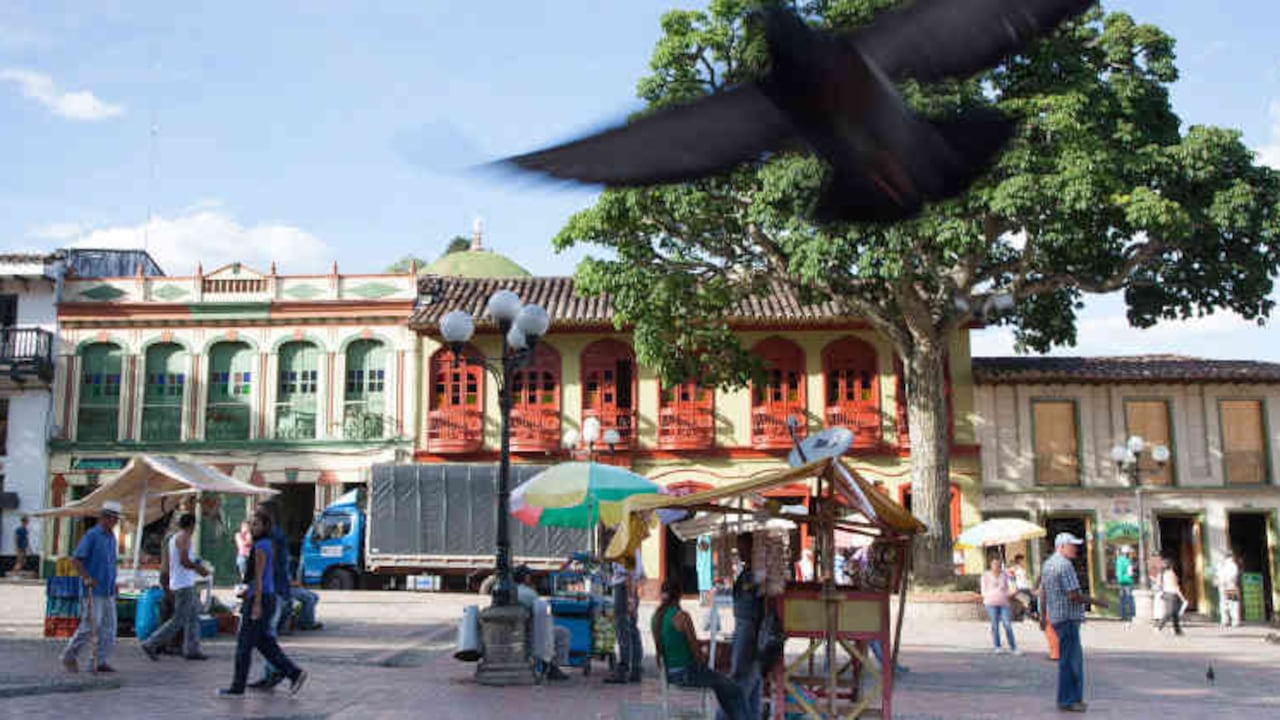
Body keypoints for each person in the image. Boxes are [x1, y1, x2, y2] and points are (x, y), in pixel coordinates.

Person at [218, 509, 307, 697]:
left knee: (244, 645)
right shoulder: (266, 544)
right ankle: (293, 673)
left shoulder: (260, 547)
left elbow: (259, 578)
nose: (252, 526)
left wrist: (256, 603)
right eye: (251, 522)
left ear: (265, 526)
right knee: (263, 642)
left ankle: (237, 687)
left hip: (261, 598)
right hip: (264, 596)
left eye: (256, 523)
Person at [651, 577, 749, 720]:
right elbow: (696, 651)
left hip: (669, 674)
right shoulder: (682, 616)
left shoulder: (656, 617)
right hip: (687, 673)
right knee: (734, 689)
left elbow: (673, 643)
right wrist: (707, 657)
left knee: (721, 686)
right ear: (679, 595)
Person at [1041, 532, 1108, 713]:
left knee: (1066, 660)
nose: (1075, 549)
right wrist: (1097, 602)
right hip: (1068, 618)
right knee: (1072, 662)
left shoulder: (1048, 564)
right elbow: (1073, 594)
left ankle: (1066, 699)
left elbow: (1043, 592)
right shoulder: (1065, 565)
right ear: (1061, 547)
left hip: (1056, 617)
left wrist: (1043, 615)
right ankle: (1070, 700)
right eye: (1072, 545)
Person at [61, 502, 122, 673]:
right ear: (103, 517)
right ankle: (69, 656)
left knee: (109, 628)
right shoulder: (92, 535)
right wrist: (86, 577)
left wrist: (114, 582)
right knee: (89, 626)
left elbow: (110, 563)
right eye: (111, 518)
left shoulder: (111, 537)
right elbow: (76, 559)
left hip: (107, 589)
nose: (114, 522)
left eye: (116, 519)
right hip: (93, 590)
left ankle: (99, 661)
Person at [141, 513, 210, 661]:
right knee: (178, 619)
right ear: (192, 525)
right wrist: (199, 569)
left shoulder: (174, 538)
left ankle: (192, 649)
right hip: (183, 584)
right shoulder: (184, 537)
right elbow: (184, 560)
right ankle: (151, 643)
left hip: (181, 582)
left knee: (192, 616)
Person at [248, 503, 295, 689]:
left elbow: (268, 568)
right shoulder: (275, 535)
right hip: (277, 590)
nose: (253, 520)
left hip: (273, 591)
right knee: (267, 634)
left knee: (267, 634)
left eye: (256, 516)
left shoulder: (271, 537)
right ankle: (273, 671)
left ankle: (278, 671)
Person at [723, 534, 764, 720]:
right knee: (753, 679)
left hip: (750, 626)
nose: (740, 553)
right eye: (739, 549)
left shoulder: (758, 573)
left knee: (742, 676)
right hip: (743, 624)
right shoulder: (748, 571)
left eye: (743, 548)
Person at [513, 565, 570, 681]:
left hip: (514, 632)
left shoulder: (509, 591)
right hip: (530, 634)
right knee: (562, 632)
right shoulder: (530, 594)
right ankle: (552, 667)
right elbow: (542, 613)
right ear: (526, 578)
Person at [605, 551, 643, 684]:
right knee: (632, 629)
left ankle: (623, 669)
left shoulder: (626, 546)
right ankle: (636, 669)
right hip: (629, 589)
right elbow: (640, 575)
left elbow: (629, 574)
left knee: (623, 629)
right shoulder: (634, 547)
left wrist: (630, 598)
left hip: (624, 589)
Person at [981, 557, 1019, 654]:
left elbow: (1011, 585)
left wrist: (1011, 591)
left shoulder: (1004, 575)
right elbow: (983, 589)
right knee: (995, 624)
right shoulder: (986, 575)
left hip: (1003, 602)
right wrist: (987, 596)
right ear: (991, 566)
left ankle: (1013, 647)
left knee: (1007, 624)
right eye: (994, 565)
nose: (996, 567)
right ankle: (997, 646)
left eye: (998, 565)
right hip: (990, 603)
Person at [1156, 556, 1185, 636]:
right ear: (1171, 565)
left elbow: (1158, 584)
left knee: (1174, 613)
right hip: (1172, 594)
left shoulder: (1161, 574)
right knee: (1170, 612)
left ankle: (1177, 630)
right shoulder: (1171, 574)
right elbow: (1176, 587)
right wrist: (1182, 597)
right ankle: (1159, 626)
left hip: (1165, 594)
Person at [1215, 551, 1241, 628]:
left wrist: (1221, 581)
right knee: (1227, 604)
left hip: (1229, 585)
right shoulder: (1222, 565)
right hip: (1226, 586)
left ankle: (1231, 621)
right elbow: (1217, 575)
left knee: (1230, 603)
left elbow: (1232, 576)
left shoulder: (1231, 565)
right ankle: (1228, 621)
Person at [1009, 554, 1035, 619]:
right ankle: (1026, 615)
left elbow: (1025, 580)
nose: (1023, 561)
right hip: (1019, 589)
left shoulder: (1022, 569)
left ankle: (1030, 613)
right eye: (1022, 560)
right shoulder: (1013, 569)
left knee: (1034, 598)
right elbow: (1011, 579)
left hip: (1025, 588)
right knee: (1026, 599)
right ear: (1018, 560)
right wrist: (1014, 588)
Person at [1116, 546, 1136, 625]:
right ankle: (1131, 615)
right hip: (1127, 581)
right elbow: (1130, 572)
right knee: (1129, 598)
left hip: (1120, 581)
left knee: (1122, 599)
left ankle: (1122, 615)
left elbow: (1118, 572)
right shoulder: (1128, 561)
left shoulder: (1119, 560)